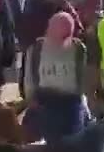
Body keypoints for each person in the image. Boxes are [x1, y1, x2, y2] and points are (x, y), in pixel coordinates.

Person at [23, 12, 88, 142]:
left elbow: (83, 78)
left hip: (71, 105)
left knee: (72, 145)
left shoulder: (78, 49)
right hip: (44, 103)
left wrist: (83, 102)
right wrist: (31, 99)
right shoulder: (36, 49)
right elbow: (29, 79)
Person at [19, 0, 83, 97]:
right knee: (32, 79)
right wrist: (25, 43)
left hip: (55, 51)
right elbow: (24, 24)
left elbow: (75, 23)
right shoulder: (32, 3)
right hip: (35, 48)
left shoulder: (61, 4)